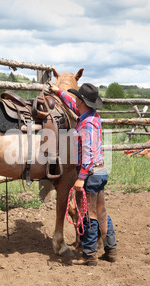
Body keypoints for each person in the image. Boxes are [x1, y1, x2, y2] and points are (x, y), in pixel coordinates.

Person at [50, 83, 117, 266]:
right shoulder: (91, 116)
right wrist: (58, 92)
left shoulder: (87, 124)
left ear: (82, 101)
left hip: (91, 173)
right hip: (100, 171)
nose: (75, 100)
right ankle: (110, 250)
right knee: (101, 212)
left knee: (89, 215)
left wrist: (80, 178)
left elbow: (87, 152)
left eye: (78, 98)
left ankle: (89, 255)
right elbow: (72, 103)